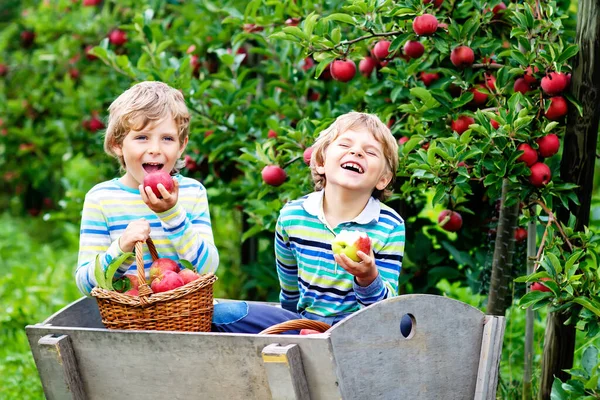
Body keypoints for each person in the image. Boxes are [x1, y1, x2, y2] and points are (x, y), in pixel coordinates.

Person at [213, 112, 405, 333]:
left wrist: (367, 276)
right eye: (345, 144)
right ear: (322, 162)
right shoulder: (293, 217)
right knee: (223, 314)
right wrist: (294, 328)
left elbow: (387, 311)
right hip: (304, 324)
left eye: (370, 152)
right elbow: (290, 293)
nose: (356, 151)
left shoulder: (389, 225)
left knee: (406, 323)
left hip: (359, 330)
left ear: (383, 179)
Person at [75, 81, 219, 296]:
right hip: (126, 321)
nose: (155, 149)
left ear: (181, 146)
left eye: (167, 139)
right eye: (142, 137)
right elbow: (87, 286)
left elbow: (207, 270)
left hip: (185, 315)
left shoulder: (192, 193)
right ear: (117, 144)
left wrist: (171, 214)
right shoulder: (101, 199)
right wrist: (122, 248)